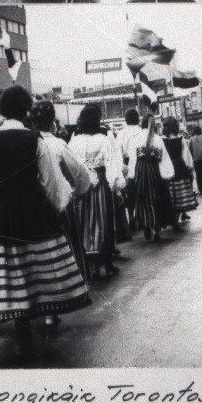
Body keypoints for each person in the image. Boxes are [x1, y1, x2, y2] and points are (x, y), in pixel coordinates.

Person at [0, 86, 91, 358]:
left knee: (10, 271)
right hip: (32, 210)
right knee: (34, 267)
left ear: (2, 110)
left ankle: (20, 328)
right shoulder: (35, 140)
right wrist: (59, 205)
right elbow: (52, 182)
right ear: (25, 111)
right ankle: (31, 325)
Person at [30, 100, 92, 289]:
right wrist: (77, 190)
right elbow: (79, 173)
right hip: (59, 200)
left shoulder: (26, 143)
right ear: (52, 122)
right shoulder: (58, 144)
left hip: (33, 204)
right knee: (67, 243)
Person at [68, 104, 125, 276]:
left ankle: (88, 264)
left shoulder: (74, 141)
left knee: (83, 223)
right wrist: (117, 188)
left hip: (81, 189)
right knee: (103, 222)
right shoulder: (103, 140)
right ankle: (106, 263)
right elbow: (111, 166)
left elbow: (70, 166)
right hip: (100, 186)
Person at [127, 114, 175, 241]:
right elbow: (163, 158)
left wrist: (131, 175)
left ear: (142, 124)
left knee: (142, 199)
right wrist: (167, 174)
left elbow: (132, 159)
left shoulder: (136, 138)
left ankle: (146, 225)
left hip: (140, 171)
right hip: (154, 171)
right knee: (155, 198)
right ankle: (156, 229)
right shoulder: (157, 139)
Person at [161, 116, 197, 223]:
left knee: (171, 192)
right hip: (180, 167)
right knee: (181, 192)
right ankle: (182, 212)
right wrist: (189, 168)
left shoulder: (161, 140)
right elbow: (186, 156)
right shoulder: (181, 139)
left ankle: (173, 216)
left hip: (168, 168)